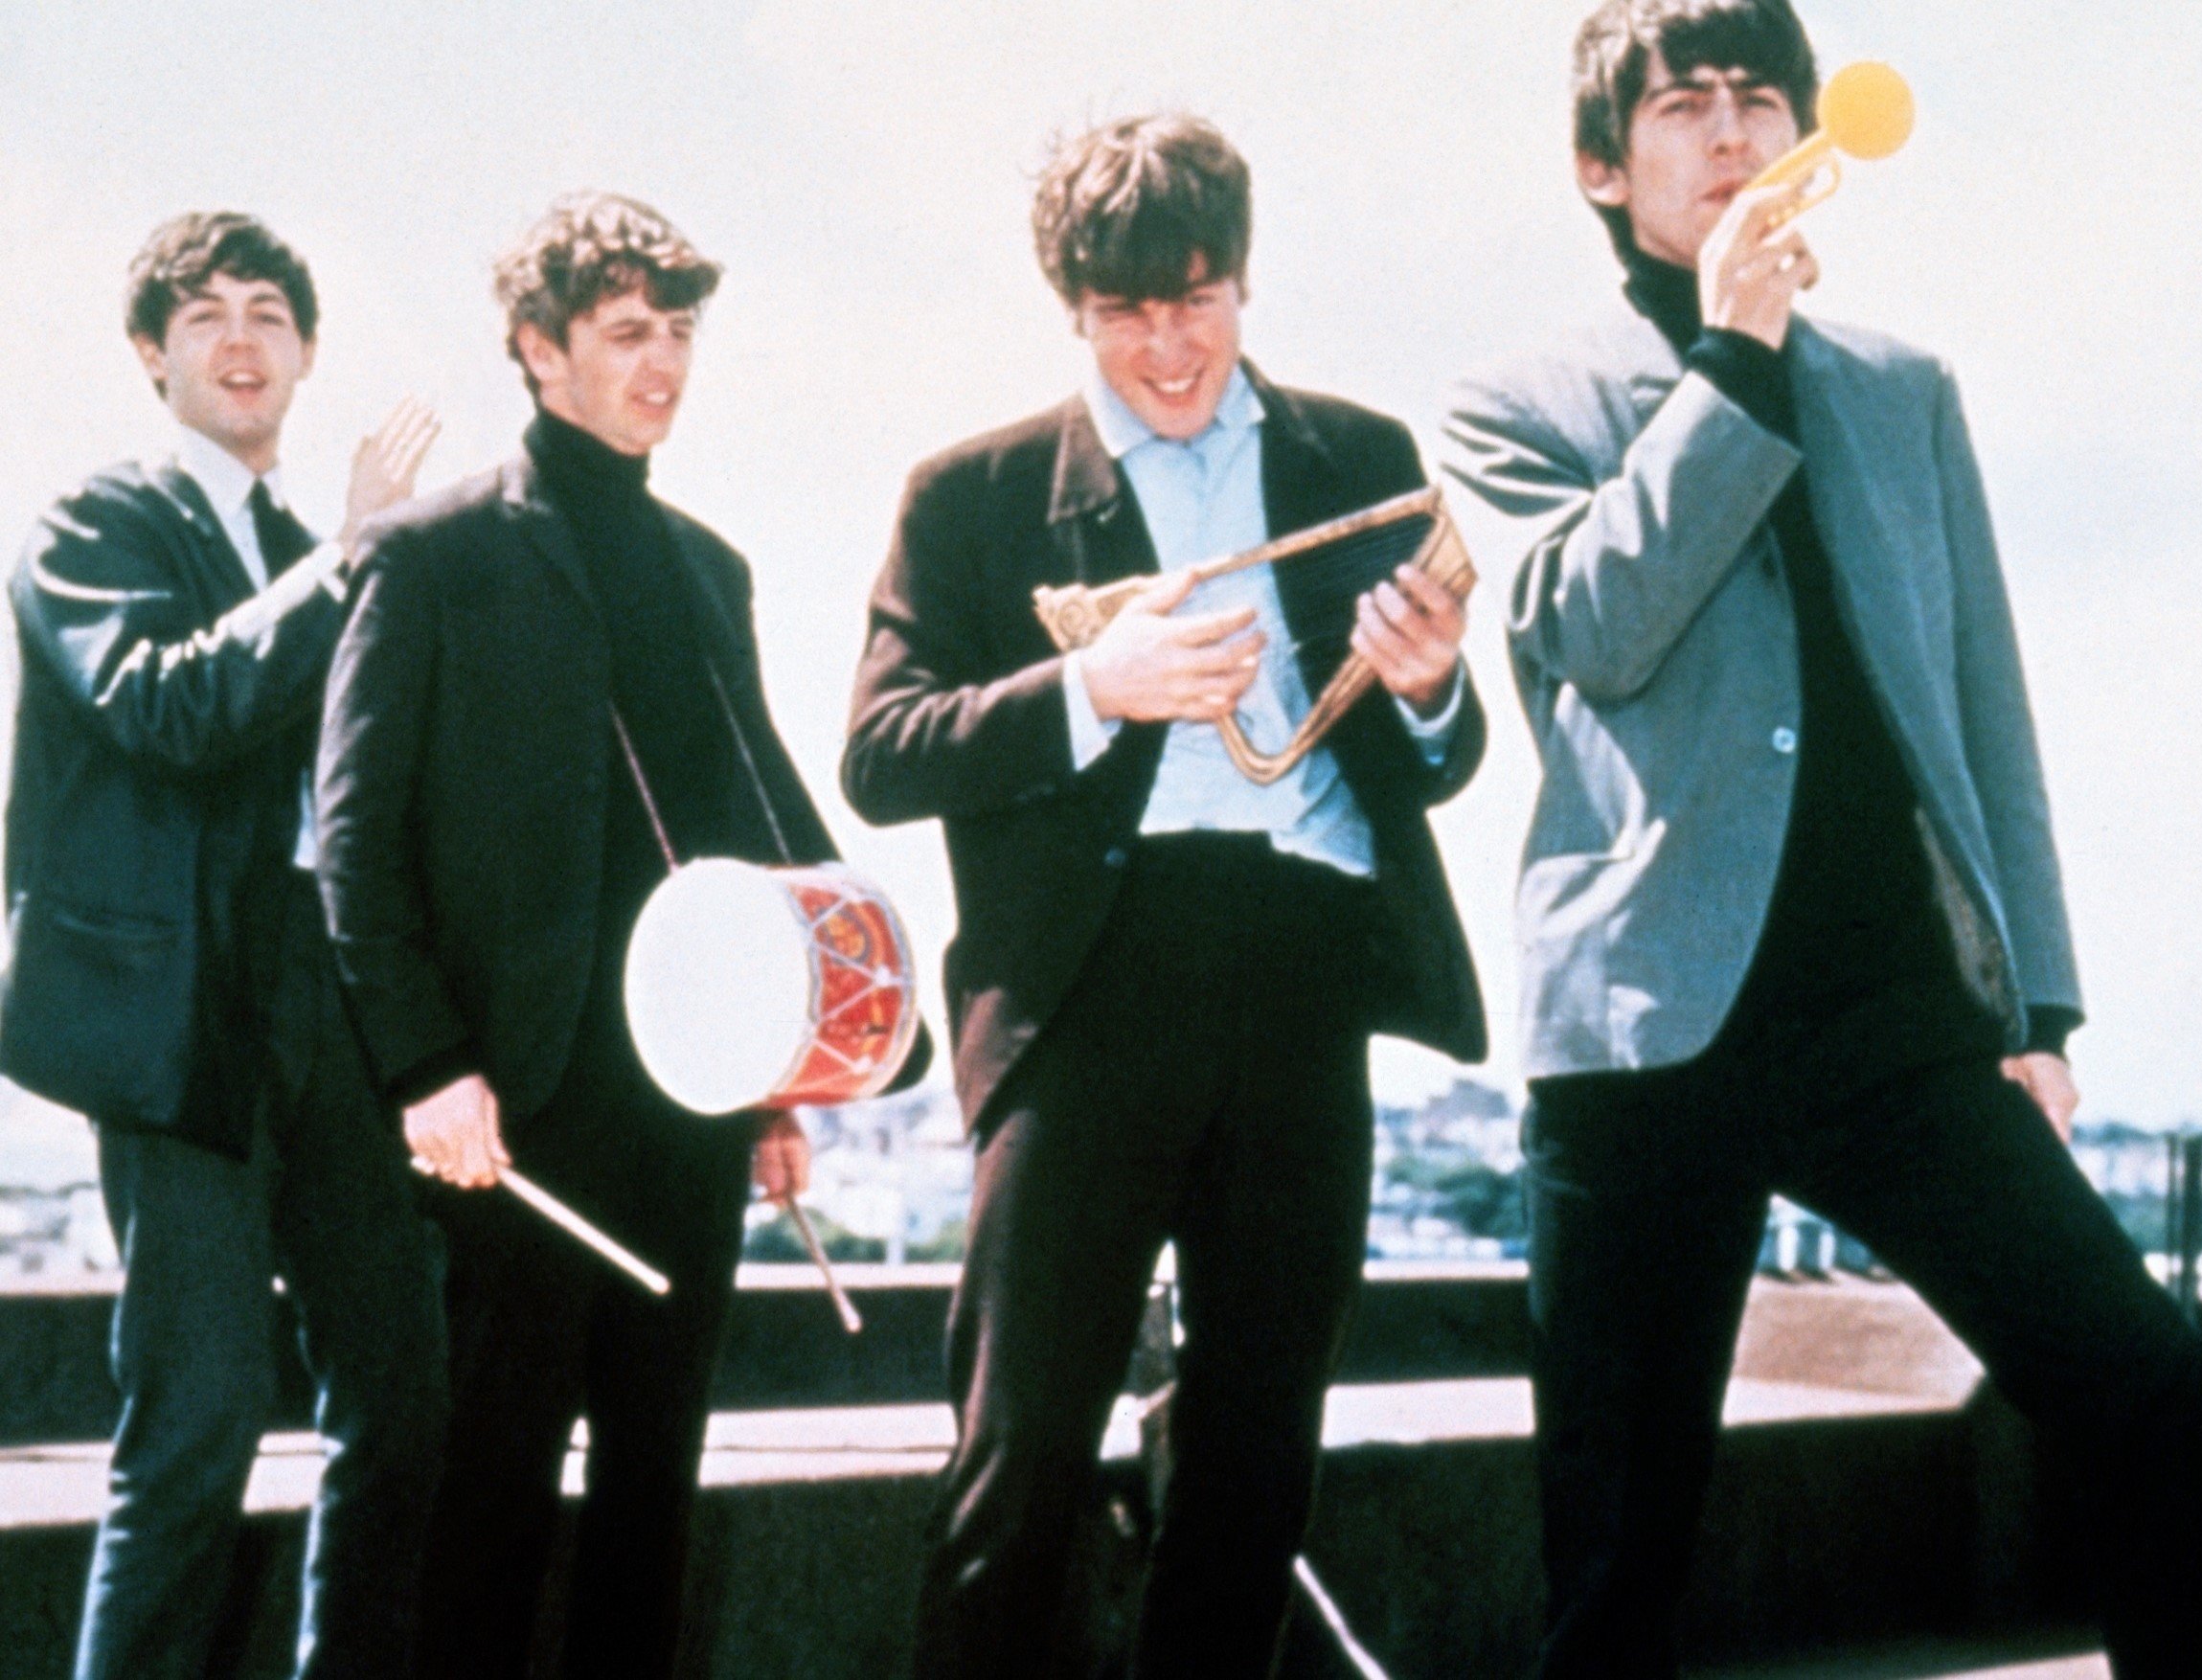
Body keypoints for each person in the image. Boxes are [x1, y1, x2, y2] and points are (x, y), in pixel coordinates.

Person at [1440, 3, 2202, 1674]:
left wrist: (2043, 1010)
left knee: (2159, 1392)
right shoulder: (1516, 400)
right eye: (1683, 103)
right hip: (1647, 1028)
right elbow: (1595, 626)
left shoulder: (1903, 386)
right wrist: (1730, 358)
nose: (1732, 133)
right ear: (1603, 161)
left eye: (1760, 97)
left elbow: (1981, 707)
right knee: (1618, 1557)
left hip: (1892, 1017)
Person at [844, 114, 1487, 1679]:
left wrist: (1430, 691)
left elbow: (1446, 754)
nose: (1167, 342)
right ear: (1072, 306)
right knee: (1023, 1459)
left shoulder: (1361, 459)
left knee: (1259, 1464)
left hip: (1304, 974)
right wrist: (1092, 689)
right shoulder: (975, 493)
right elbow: (879, 753)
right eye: (1126, 310)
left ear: (1245, 283)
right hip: (1085, 994)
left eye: (1195, 298)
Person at [316, 191, 918, 1680]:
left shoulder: (711, 569)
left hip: (687, 1115)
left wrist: (786, 1084)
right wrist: (428, 1069)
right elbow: (350, 843)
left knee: (657, 1498)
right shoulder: (428, 553)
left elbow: (748, 829)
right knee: (489, 1502)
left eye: (681, 331)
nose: (663, 364)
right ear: (537, 347)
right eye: (626, 331)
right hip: (506, 1122)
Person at [0, 212, 443, 1680]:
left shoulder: (321, 554)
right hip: (185, 1024)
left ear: (307, 352)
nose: (242, 338)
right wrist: (351, 562)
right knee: (193, 1426)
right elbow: (165, 707)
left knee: (403, 1382)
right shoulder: (98, 520)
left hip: (328, 1007)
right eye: (204, 318)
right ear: (152, 355)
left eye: (269, 312)